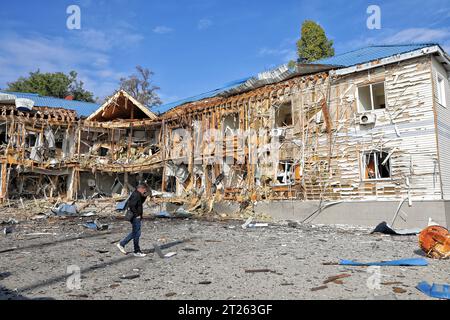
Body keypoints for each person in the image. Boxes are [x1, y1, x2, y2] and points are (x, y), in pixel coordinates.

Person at [117, 183, 150, 257]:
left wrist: (144, 196)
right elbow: (132, 205)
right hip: (135, 217)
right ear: (141, 188)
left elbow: (139, 203)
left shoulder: (138, 194)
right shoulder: (136, 194)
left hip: (136, 216)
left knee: (135, 233)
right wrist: (137, 215)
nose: (145, 190)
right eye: (144, 189)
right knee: (137, 234)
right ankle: (136, 251)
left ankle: (122, 244)